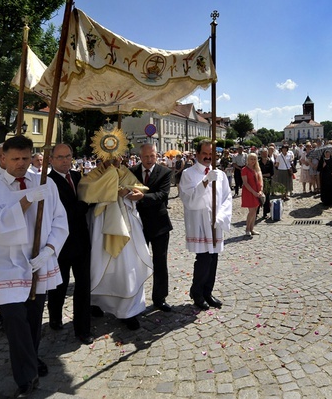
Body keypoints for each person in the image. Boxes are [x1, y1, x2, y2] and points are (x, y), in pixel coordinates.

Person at [0, 135, 66, 397]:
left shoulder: (45, 183)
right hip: (5, 264)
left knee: (34, 318)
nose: (21, 164)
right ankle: (26, 377)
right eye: (15, 158)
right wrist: (25, 201)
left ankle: (32, 359)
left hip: (38, 262)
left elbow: (60, 220)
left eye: (26, 158)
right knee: (15, 320)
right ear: (2, 158)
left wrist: (49, 250)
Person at [79, 153, 152, 331]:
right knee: (100, 265)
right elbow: (86, 191)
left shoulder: (125, 172)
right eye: (109, 157)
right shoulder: (95, 174)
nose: (114, 160)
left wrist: (129, 192)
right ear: (102, 156)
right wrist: (111, 186)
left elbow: (140, 188)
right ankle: (97, 302)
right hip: (102, 226)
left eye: (117, 156)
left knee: (128, 267)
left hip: (127, 226)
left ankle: (129, 310)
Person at [47, 144, 93, 343]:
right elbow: (66, 212)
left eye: (68, 156)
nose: (65, 160)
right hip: (61, 244)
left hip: (82, 240)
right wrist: (86, 204)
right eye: (60, 157)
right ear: (51, 159)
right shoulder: (48, 182)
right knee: (59, 285)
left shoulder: (77, 176)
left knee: (83, 286)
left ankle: (82, 329)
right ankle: (55, 317)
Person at [179, 140, 232, 311]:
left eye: (211, 154)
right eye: (205, 153)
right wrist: (205, 182)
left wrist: (221, 215)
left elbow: (226, 197)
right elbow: (190, 200)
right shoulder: (189, 174)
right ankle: (197, 292)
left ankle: (208, 292)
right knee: (203, 258)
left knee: (214, 258)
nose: (209, 157)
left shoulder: (221, 174)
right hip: (199, 221)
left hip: (215, 220)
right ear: (197, 154)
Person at [130, 143, 174, 313]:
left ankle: (160, 298)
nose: (149, 159)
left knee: (160, 262)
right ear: (140, 156)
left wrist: (142, 197)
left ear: (157, 155)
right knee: (135, 263)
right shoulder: (131, 172)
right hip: (137, 225)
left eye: (152, 156)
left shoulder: (164, 172)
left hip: (159, 225)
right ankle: (133, 300)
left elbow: (162, 195)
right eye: (146, 156)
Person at [241, 153, 263, 237]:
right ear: (248, 160)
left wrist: (260, 190)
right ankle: (247, 228)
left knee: (255, 211)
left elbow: (261, 180)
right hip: (249, 192)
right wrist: (253, 192)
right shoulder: (244, 169)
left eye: (254, 159)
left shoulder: (257, 168)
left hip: (257, 191)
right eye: (251, 159)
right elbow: (245, 183)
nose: (253, 161)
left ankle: (252, 228)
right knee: (251, 211)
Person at [258, 148, 275, 220]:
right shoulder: (258, 162)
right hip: (259, 182)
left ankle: (265, 213)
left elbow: (271, 173)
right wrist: (263, 175)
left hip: (268, 181)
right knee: (258, 197)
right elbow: (257, 173)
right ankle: (256, 212)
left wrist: (262, 175)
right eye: (263, 153)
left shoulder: (270, 162)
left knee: (267, 197)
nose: (264, 155)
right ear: (261, 154)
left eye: (266, 153)